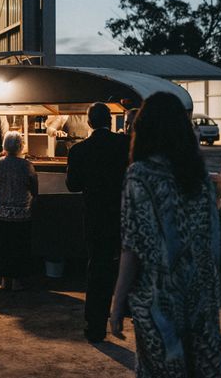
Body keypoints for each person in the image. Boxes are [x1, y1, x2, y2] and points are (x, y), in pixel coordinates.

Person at [110, 92, 221, 377]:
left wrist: (116, 303)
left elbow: (132, 247)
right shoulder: (201, 178)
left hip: (159, 299)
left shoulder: (140, 175)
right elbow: (213, 240)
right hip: (201, 295)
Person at [65, 103, 130, 343]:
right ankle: (127, 313)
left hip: (95, 217)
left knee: (97, 269)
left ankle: (95, 327)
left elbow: (73, 185)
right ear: (111, 121)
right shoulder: (124, 145)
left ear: (89, 123)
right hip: (123, 215)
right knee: (127, 266)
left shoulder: (79, 150)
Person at [0, 131, 38, 291]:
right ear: (20, 146)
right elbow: (34, 189)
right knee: (18, 248)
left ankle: (4, 280)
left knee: (3, 246)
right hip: (21, 214)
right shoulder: (27, 165)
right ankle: (17, 282)